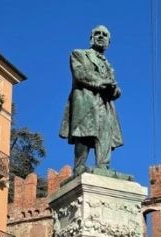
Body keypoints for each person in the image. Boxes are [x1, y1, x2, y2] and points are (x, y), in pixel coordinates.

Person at [59, 25, 123, 174]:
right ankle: (79, 166)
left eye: (105, 35)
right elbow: (80, 74)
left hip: (105, 105)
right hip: (86, 101)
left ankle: (103, 166)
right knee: (84, 134)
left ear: (108, 42)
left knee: (105, 135)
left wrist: (114, 90)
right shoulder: (79, 54)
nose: (101, 36)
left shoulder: (109, 65)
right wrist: (103, 82)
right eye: (97, 33)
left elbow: (116, 88)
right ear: (91, 38)